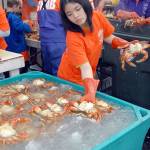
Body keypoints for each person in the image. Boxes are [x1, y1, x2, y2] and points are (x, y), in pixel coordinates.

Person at [58, 0, 132, 103]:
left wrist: (125, 44)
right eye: (69, 14)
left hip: (89, 73)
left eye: (77, 9)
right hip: (70, 78)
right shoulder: (72, 37)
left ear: (85, 5)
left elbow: (107, 36)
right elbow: (85, 67)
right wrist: (90, 92)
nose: (75, 16)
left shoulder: (97, 17)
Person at [37, 0, 66, 76]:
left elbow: (39, 22)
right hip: (59, 41)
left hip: (44, 41)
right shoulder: (59, 1)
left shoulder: (40, 3)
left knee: (47, 71)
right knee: (59, 72)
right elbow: (69, 20)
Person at [5, 0, 33, 73]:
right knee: (23, 68)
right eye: (19, 7)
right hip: (18, 48)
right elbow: (21, 27)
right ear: (14, 6)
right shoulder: (13, 17)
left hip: (8, 48)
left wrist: (22, 22)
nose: (19, 9)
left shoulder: (5, 16)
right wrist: (29, 25)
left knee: (9, 69)